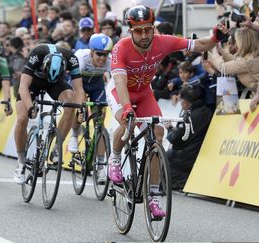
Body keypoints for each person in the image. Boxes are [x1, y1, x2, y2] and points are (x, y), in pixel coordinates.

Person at [108, 5, 228, 219]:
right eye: (138, 30)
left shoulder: (162, 41)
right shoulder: (121, 48)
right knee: (127, 124)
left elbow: (200, 44)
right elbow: (119, 81)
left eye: (148, 29)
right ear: (130, 30)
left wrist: (216, 37)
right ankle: (115, 158)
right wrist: (127, 109)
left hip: (144, 93)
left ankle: (153, 196)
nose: (144, 35)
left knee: (158, 136)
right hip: (121, 91)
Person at [13, 43, 85, 184]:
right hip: (35, 80)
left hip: (56, 82)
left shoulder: (71, 58)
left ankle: (57, 147)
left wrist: (81, 109)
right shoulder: (37, 53)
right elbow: (23, 87)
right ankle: (21, 162)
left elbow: (79, 89)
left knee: (70, 103)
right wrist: (30, 107)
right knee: (22, 119)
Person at [68, 33, 113, 183]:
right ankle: (74, 135)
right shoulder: (81, 57)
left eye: (105, 55)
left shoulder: (110, 62)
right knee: (79, 108)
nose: (102, 58)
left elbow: (116, 85)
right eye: (99, 54)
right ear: (91, 52)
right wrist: (81, 106)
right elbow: (77, 86)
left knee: (99, 125)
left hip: (96, 86)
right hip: (79, 82)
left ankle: (100, 167)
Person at [166, 85, 212, 190]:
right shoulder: (206, 111)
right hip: (197, 153)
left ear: (185, 102)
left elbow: (176, 139)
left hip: (186, 158)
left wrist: (169, 129)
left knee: (166, 156)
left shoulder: (191, 115)